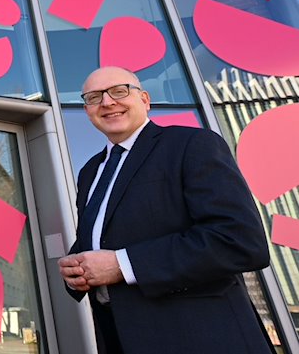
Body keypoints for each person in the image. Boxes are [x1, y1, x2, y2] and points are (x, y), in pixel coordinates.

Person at [59, 66, 273, 354]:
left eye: (119, 91)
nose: (107, 102)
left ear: (145, 99)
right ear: (87, 111)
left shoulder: (192, 145)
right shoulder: (89, 172)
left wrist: (122, 265)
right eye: (94, 97)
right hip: (120, 338)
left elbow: (240, 241)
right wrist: (78, 267)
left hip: (199, 338)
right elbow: (106, 239)